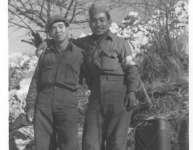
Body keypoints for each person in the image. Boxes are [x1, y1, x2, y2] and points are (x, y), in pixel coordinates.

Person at [36, 5, 140, 150]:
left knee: (116, 141)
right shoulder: (84, 43)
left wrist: (132, 91)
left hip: (118, 91)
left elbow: (131, 68)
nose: (98, 24)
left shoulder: (120, 43)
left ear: (109, 22)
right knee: (90, 141)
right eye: (94, 21)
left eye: (102, 20)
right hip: (96, 94)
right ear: (90, 24)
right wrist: (47, 41)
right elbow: (64, 40)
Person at [25, 15, 84, 150]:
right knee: (43, 145)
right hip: (43, 102)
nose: (57, 31)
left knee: (69, 144)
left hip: (67, 102)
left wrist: (78, 98)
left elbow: (88, 79)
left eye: (60, 27)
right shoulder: (45, 52)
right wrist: (30, 105)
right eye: (53, 29)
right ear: (50, 33)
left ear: (67, 28)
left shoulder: (80, 53)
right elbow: (35, 81)